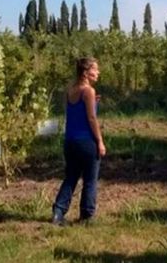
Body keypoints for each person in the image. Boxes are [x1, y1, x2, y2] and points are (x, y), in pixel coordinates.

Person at [53, 57, 106, 225]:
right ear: (85, 72)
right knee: (90, 180)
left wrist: (92, 103)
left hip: (70, 141)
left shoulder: (70, 90)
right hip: (86, 142)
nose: (98, 72)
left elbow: (76, 112)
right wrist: (100, 141)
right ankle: (87, 216)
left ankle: (58, 212)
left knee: (71, 177)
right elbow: (91, 118)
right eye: (95, 69)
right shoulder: (88, 91)